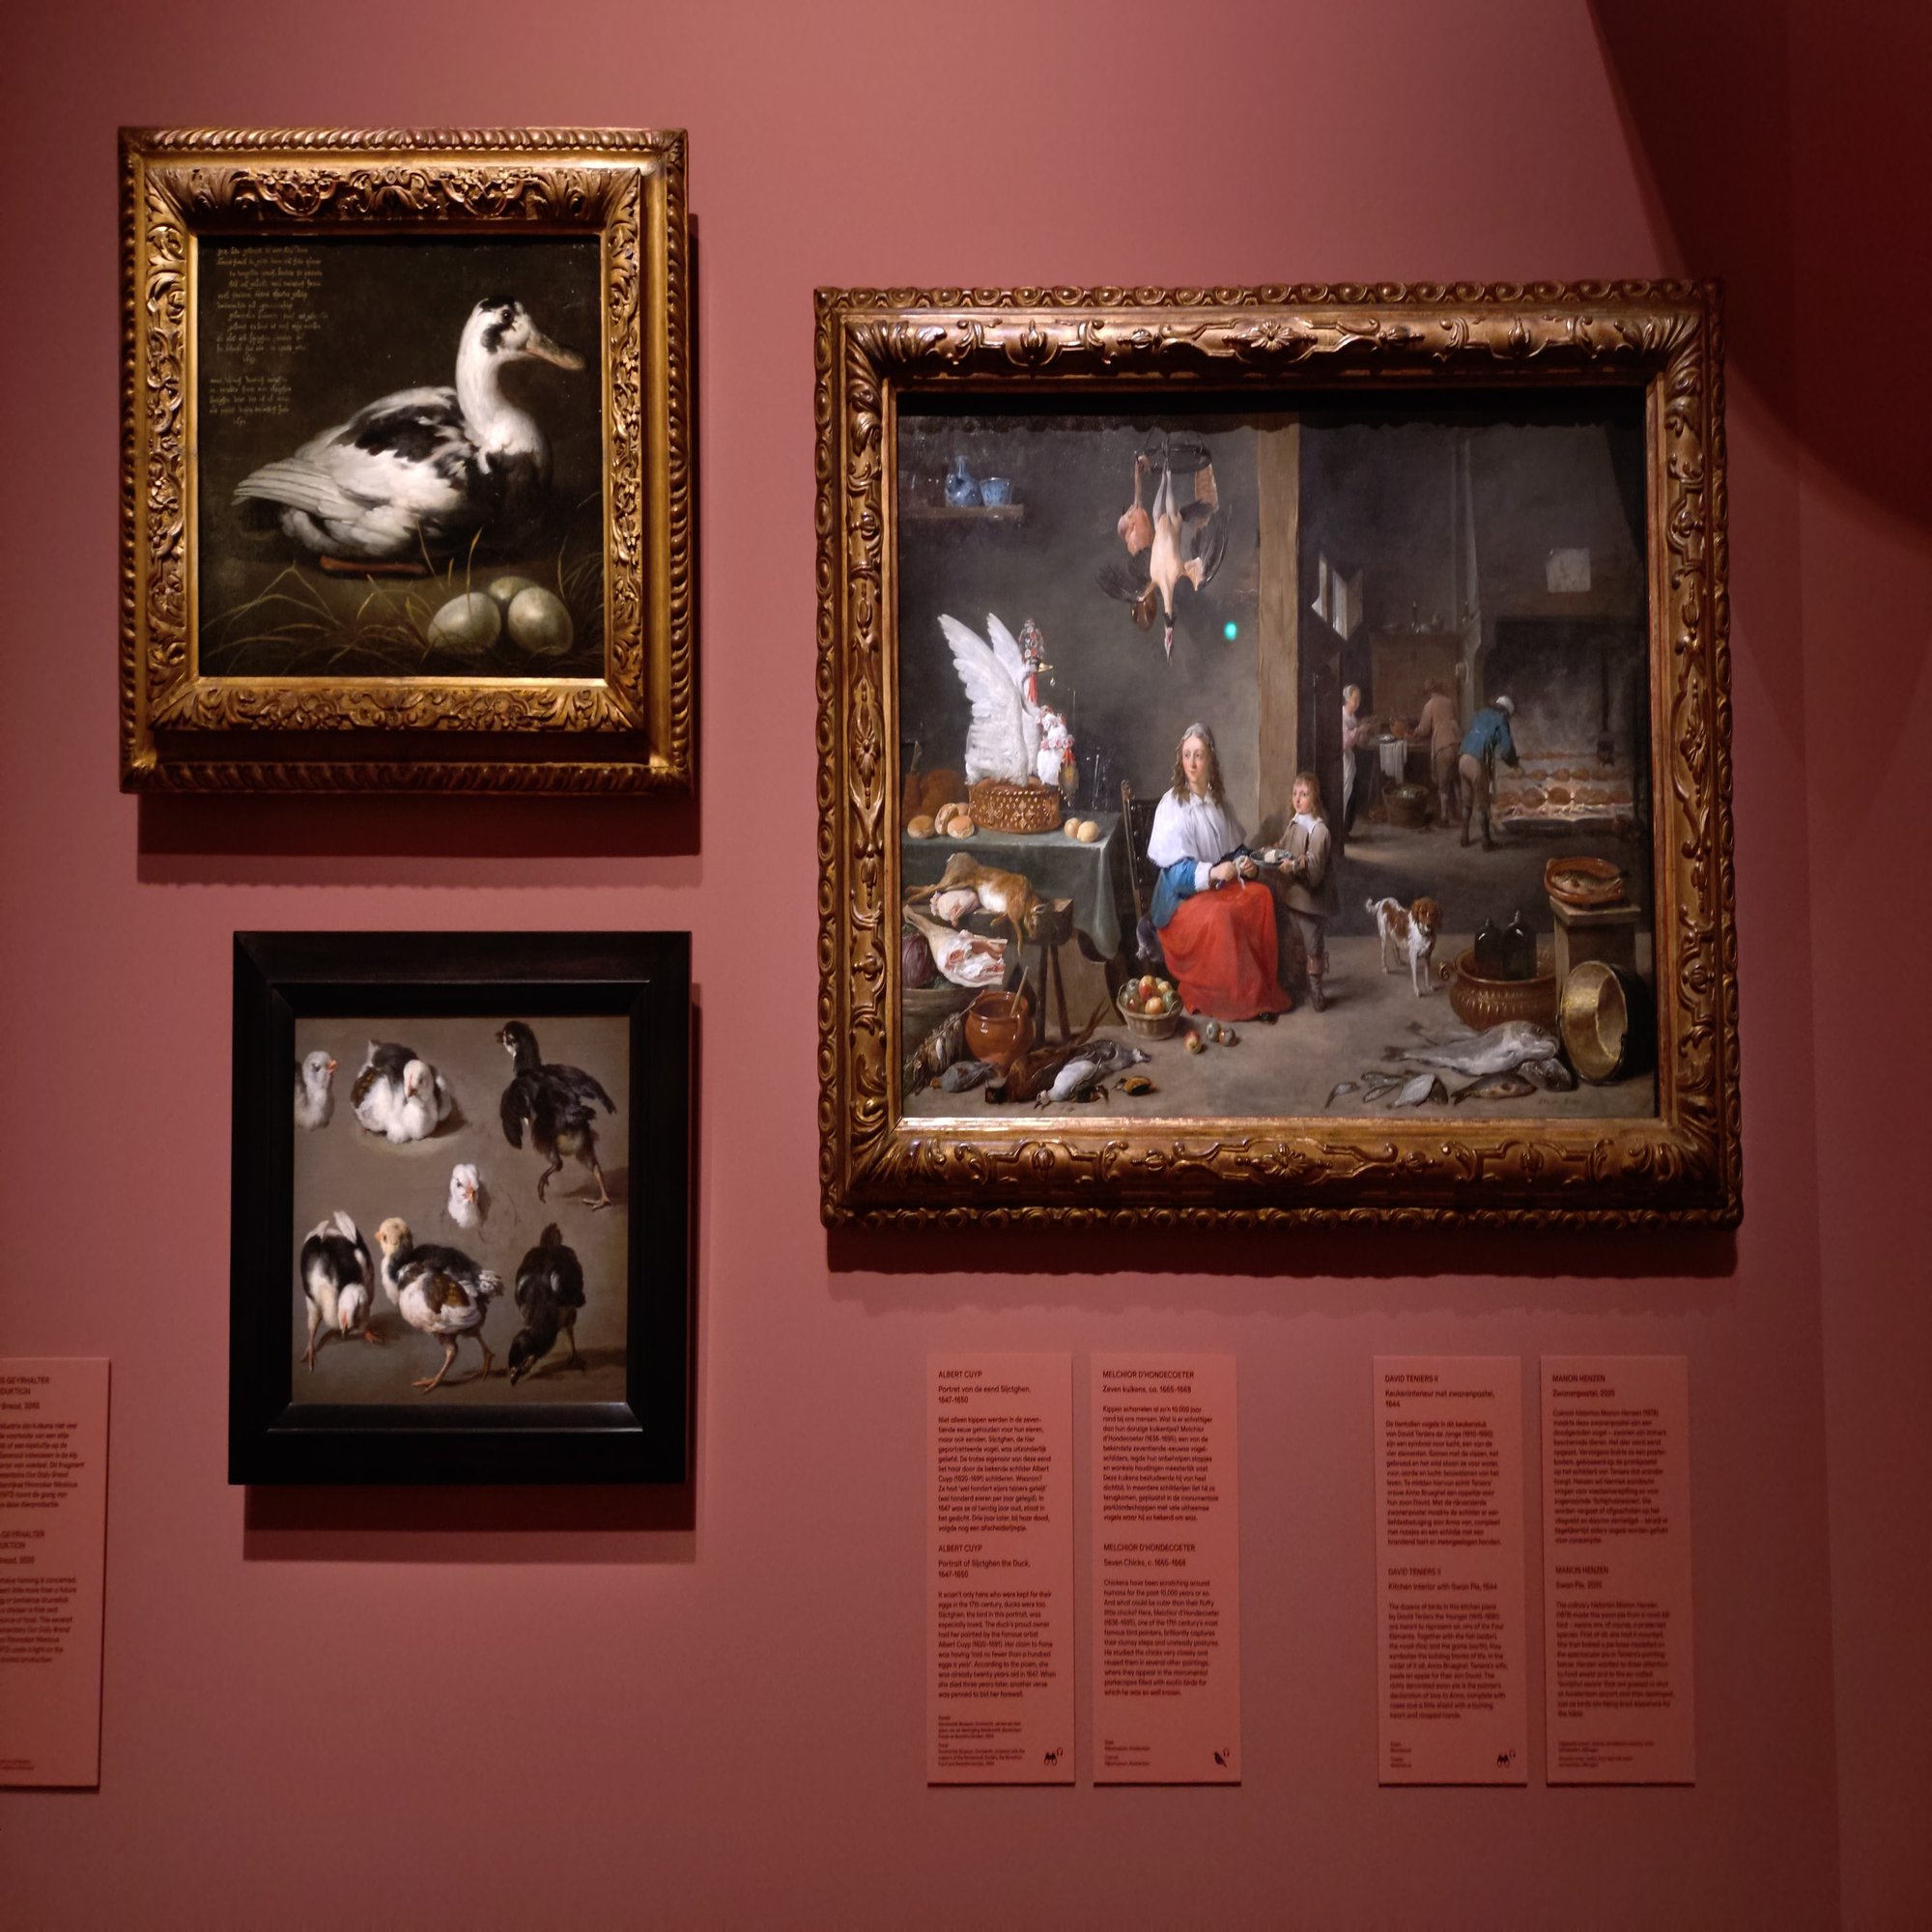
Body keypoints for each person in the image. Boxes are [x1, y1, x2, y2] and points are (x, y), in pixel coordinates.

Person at [1147, 723, 1291, 1021]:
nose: (1192, 763)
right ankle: (1237, 1001)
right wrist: (1213, 873)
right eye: (1187, 755)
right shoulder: (1172, 805)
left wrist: (1246, 863)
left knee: (1261, 897)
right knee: (1222, 916)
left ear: (1210, 759)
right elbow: (1175, 875)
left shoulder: (1218, 802)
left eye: (1199, 755)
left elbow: (1233, 850)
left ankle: (1261, 990)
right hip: (1180, 902)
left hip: (1214, 890)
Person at [1273, 771, 1341, 1010]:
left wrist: (1296, 865)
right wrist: (1275, 850)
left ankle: (1315, 987)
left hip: (1312, 902)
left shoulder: (1319, 830)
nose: (1298, 798)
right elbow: (1284, 846)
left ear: (1315, 798)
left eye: (1304, 794)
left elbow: (1315, 866)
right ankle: (1296, 981)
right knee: (1293, 941)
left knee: (1313, 946)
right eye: (1295, 793)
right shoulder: (1295, 822)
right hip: (1292, 896)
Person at [1459, 694, 1520, 850]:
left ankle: (1464, 838)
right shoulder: (1501, 720)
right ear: (1505, 712)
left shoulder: (1481, 714)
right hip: (1477, 762)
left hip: (1463, 758)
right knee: (1483, 804)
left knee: (1467, 802)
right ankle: (1486, 841)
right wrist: (1514, 763)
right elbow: (1507, 750)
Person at [1411, 679, 1462, 828]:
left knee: (1443, 783)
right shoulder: (1450, 702)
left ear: (1429, 692)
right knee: (1456, 779)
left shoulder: (1430, 705)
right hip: (1457, 743)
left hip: (1443, 745)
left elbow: (1424, 729)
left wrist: (1415, 732)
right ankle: (1461, 813)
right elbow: (1456, 720)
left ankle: (1444, 817)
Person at [1340, 684, 1367, 835]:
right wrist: (1358, 730)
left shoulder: (1352, 717)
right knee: (1344, 792)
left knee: (1350, 792)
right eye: (1355, 700)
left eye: (1359, 700)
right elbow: (1344, 742)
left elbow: (1357, 741)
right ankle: (1341, 830)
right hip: (1342, 759)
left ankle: (1346, 829)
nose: (1357, 703)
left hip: (1350, 758)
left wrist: (1362, 731)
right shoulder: (1341, 716)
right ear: (1347, 699)